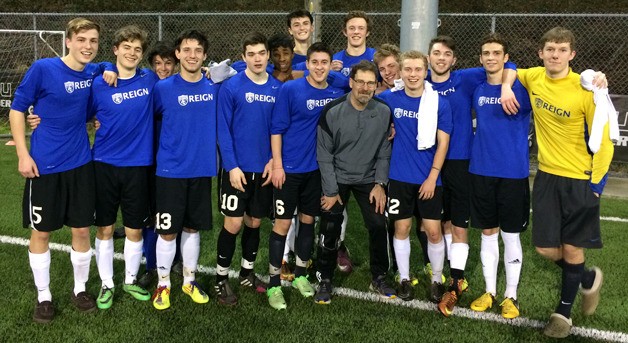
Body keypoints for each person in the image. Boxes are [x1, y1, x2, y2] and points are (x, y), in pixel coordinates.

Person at [501, 27, 613, 338]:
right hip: (547, 176)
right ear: (541, 52)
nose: (555, 54)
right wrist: (507, 87)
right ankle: (587, 278)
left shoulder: (586, 89)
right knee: (544, 248)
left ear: (572, 55)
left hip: (580, 180)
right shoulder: (534, 76)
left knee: (572, 248)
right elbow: (510, 68)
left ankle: (562, 315)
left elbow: (604, 142)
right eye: (550, 48)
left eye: (562, 50)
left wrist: (596, 185)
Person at [9, 17, 103, 323]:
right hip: (45, 166)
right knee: (42, 232)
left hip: (80, 164)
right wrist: (24, 154)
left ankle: (79, 289)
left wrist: (109, 71)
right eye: (82, 40)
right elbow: (17, 109)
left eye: (93, 41)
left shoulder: (93, 72)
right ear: (68, 40)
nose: (87, 46)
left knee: (81, 230)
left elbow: (97, 92)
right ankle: (44, 295)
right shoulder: (43, 68)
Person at [426, 35, 516, 315]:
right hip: (425, 164)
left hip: (461, 163)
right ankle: (436, 276)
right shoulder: (419, 82)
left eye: (447, 54)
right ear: (429, 57)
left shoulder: (465, 78)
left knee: (458, 225)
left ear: (454, 60)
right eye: (436, 53)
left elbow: (508, 63)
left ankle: (455, 282)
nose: (441, 58)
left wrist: (506, 87)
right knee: (431, 226)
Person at [266, 42, 343, 310]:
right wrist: (277, 165)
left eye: (325, 63)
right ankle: (274, 284)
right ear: (307, 64)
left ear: (329, 65)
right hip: (289, 170)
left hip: (316, 171)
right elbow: (276, 129)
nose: (320, 67)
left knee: (308, 221)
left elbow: (358, 86)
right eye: (315, 62)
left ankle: (300, 275)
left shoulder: (336, 91)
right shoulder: (291, 89)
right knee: (282, 225)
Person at [314, 60, 396, 304]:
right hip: (337, 177)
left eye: (371, 83)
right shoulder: (332, 111)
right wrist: (330, 191)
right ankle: (325, 279)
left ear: (376, 86)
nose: (365, 87)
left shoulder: (383, 111)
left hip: (368, 178)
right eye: (360, 81)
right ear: (351, 82)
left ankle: (379, 276)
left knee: (379, 223)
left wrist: (380, 184)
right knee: (330, 226)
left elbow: (384, 151)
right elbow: (324, 154)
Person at [88, 25, 158, 310]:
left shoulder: (149, 79)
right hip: (103, 164)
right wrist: (105, 66)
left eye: (137, 49)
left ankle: (129, 279)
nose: (132, 52)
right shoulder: (98, 83)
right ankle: (107, 283)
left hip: (138, 167)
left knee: (134, 229)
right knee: (104, 228)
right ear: (115, 49)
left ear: (142, 55)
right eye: (126, 47)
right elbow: (80, 111)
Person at [151, 30, 219, 310]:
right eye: (186, 50)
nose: (192, 55)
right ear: (177, 54)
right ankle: (163, 284)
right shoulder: (163, 88)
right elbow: (146, 117)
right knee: (167, 231)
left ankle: (189, 280)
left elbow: (244, 69)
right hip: (170, 171)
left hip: (201, 170)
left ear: (204, 56)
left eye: (198, 50)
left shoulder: (215, 87)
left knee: (192, 228)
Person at [466, 33, 531, 319]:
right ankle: (490, 291)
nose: (490, 57)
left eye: (496, 53)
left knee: (511, 235)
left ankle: (511, 295)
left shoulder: (522, 90)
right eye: (486, 53)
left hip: (513, 174)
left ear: (505, 58)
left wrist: (508, 83)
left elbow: (518, 68)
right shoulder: (477, 88)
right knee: (487, 233)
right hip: (480, 171)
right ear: (480, 59)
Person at [378, 50, 452, 303]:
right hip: (398, 177)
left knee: (433, 231)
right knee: (402, 227)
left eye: (418, 69)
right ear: (400, 71)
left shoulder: (438, 102)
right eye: (407, 69)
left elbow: (443, 143)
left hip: (429, 179)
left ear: (426, 70)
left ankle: (436, 280)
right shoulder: (389, 99)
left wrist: (432, 177)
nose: (412, 74)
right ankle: (405, 278)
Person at [215, 31, 280, 306]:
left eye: (261, 53)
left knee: (254, 221)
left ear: (268, 56)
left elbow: (279, 129)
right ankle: (220, 279)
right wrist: (231, 166)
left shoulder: (277, 88)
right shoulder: (232, 86)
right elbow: (223, 130)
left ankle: (246, 273)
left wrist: (273, 160)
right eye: (250, 54)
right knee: (233, 223)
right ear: (243, 57)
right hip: (237, 170)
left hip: (263, 169)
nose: (256, 58)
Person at [136, 41, 178, 290]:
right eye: (158, 63)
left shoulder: (182, 85)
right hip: (148, 160)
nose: (163, 67)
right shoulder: (145, 84)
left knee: (177, 216)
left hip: (175, 163)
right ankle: (151, 266)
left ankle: (178, 262)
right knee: (151, 216)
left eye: (168, 62)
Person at [331, 10, 376, 77]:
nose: (356, 32)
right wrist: (328, 72)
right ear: (345, 32)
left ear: (367, 32)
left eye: (361, 28)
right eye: (352, 28)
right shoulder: (334, 60)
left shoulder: (376, 57)